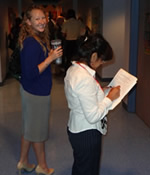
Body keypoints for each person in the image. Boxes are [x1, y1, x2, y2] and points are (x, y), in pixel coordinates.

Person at [64, 33, 120, 175]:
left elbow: (82, 96)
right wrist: (110, 99)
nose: (101, 64)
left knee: (81, 166)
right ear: (94, 56)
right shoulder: (84, 78)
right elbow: (93, 115)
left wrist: (101, 91)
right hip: (86, 132)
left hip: (77, 128)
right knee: (88, 169)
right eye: (101, 60)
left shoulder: (74, 69)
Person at [17, 4, 62, 175]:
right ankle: (42, 167)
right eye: (37, 18)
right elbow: (31, 73)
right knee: (38, 132)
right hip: (35, 93)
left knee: (29, 128)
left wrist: (48, 55)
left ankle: (23, 161)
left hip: (33, 91)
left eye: (43, 17)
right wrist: (50, 58)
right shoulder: (31, 43)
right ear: (28, 22)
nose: (42, 21)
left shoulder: (37, 39)